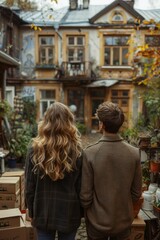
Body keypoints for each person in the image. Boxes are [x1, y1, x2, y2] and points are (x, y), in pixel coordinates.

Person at [80, 101, 142, 240]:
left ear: (101, 124)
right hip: (123, 221)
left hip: (96, 222)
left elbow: (85, 195)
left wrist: (90, 212)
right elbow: (136, 192)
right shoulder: (133, 153)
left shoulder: (90, 153)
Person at [25, 102, 83, 240]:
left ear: (46, 121)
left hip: (43, 212)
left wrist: (31, 211)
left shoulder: (34, 150)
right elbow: (81, 187)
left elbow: (29, 186)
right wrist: (81, 212)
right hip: (69, 212)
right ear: (69, 122)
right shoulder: (77, 151)